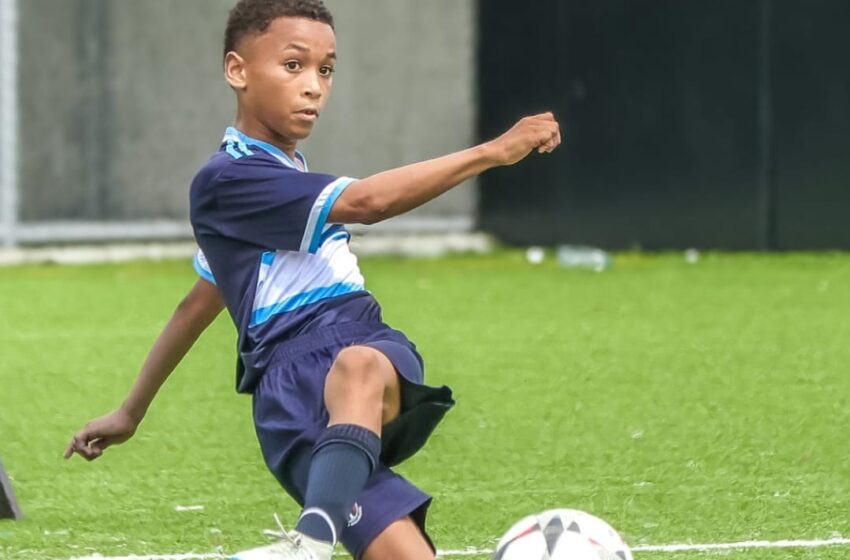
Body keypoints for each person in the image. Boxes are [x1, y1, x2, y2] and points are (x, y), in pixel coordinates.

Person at [64, 1, 561, 559]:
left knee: (360, 363)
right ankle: (316, 532)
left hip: (360, 349)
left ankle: (310, 539)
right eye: (294, 65)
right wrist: (493, 152)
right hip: (291, 398)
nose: (314, 87)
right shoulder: (227, 181)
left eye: (326, 70)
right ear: (237, 70)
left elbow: (196, 305)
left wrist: (130, 411)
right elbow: (366, 204)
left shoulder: (282, 177)